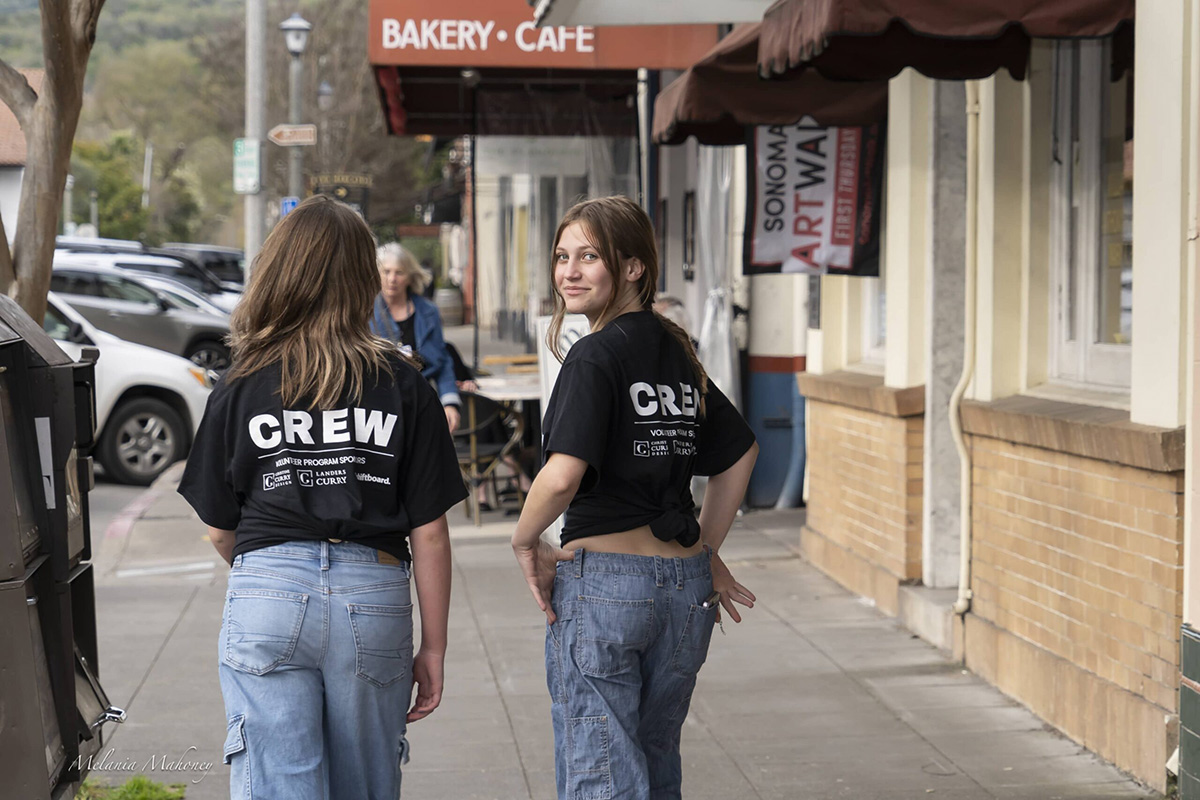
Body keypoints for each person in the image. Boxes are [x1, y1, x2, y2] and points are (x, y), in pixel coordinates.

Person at [177, 196, 466, 799]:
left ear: (280, 270)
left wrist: (278, 573)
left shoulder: (241, 381)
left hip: (267, 587)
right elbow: (431, 531)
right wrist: (434, 646)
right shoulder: (404, 382)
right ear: (364, 277)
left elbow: (217, 525)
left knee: (278, 785)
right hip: (375, 593)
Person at [512, 196, 759, 800]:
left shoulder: (595, 355)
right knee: (654, 762)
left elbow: (563, 474)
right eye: (562, 256)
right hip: (682, 593)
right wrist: (705, 547)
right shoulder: (678, 354)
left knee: (601, 768)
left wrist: (523, 539)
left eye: (589, 256)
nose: (569, 271)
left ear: (632, 267)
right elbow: (740, 453)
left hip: (607, 589)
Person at [371, 242, 462, 432]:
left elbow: (442, 361)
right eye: (386, 271)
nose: (392, 279)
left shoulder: (428, 312)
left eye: (399, 272)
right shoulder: (366, 313)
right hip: (380, 403)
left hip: (421, 399)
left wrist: (450, 402)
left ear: (410, 276)